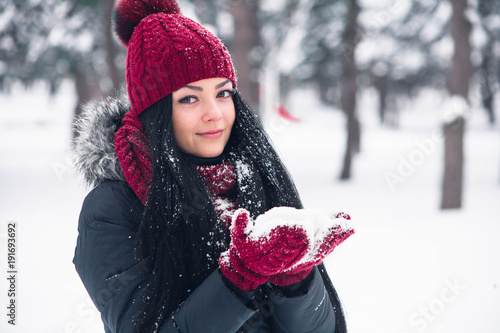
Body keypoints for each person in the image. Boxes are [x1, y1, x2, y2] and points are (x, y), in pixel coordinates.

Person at [72, 0, 354, 332]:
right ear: (156, 112)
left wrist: (296, 279)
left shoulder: (253, 179)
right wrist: (237, 278)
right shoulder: (111, 208)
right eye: (189, 98)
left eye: (222, 93)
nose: (214, 113)